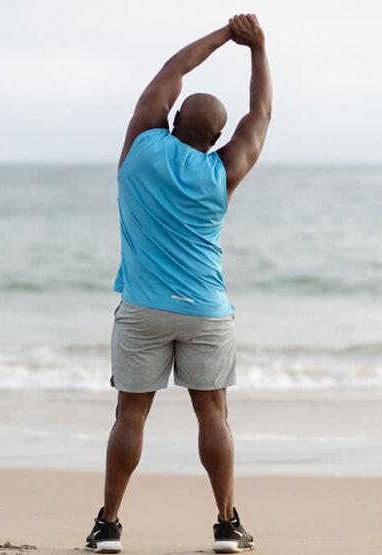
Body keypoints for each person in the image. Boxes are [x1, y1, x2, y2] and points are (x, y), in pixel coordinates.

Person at [85, 13, 272, 554]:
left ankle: (109, 526)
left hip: (142, 308)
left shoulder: (140, 147)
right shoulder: (223, 171)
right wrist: (257, 48)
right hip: (207, 312)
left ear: (172, 119)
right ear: (215, 137)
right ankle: (226, 524)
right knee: (212, 414)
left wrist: (222, 35)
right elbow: (260, 115)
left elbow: (172, 69)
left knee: (130, 415)